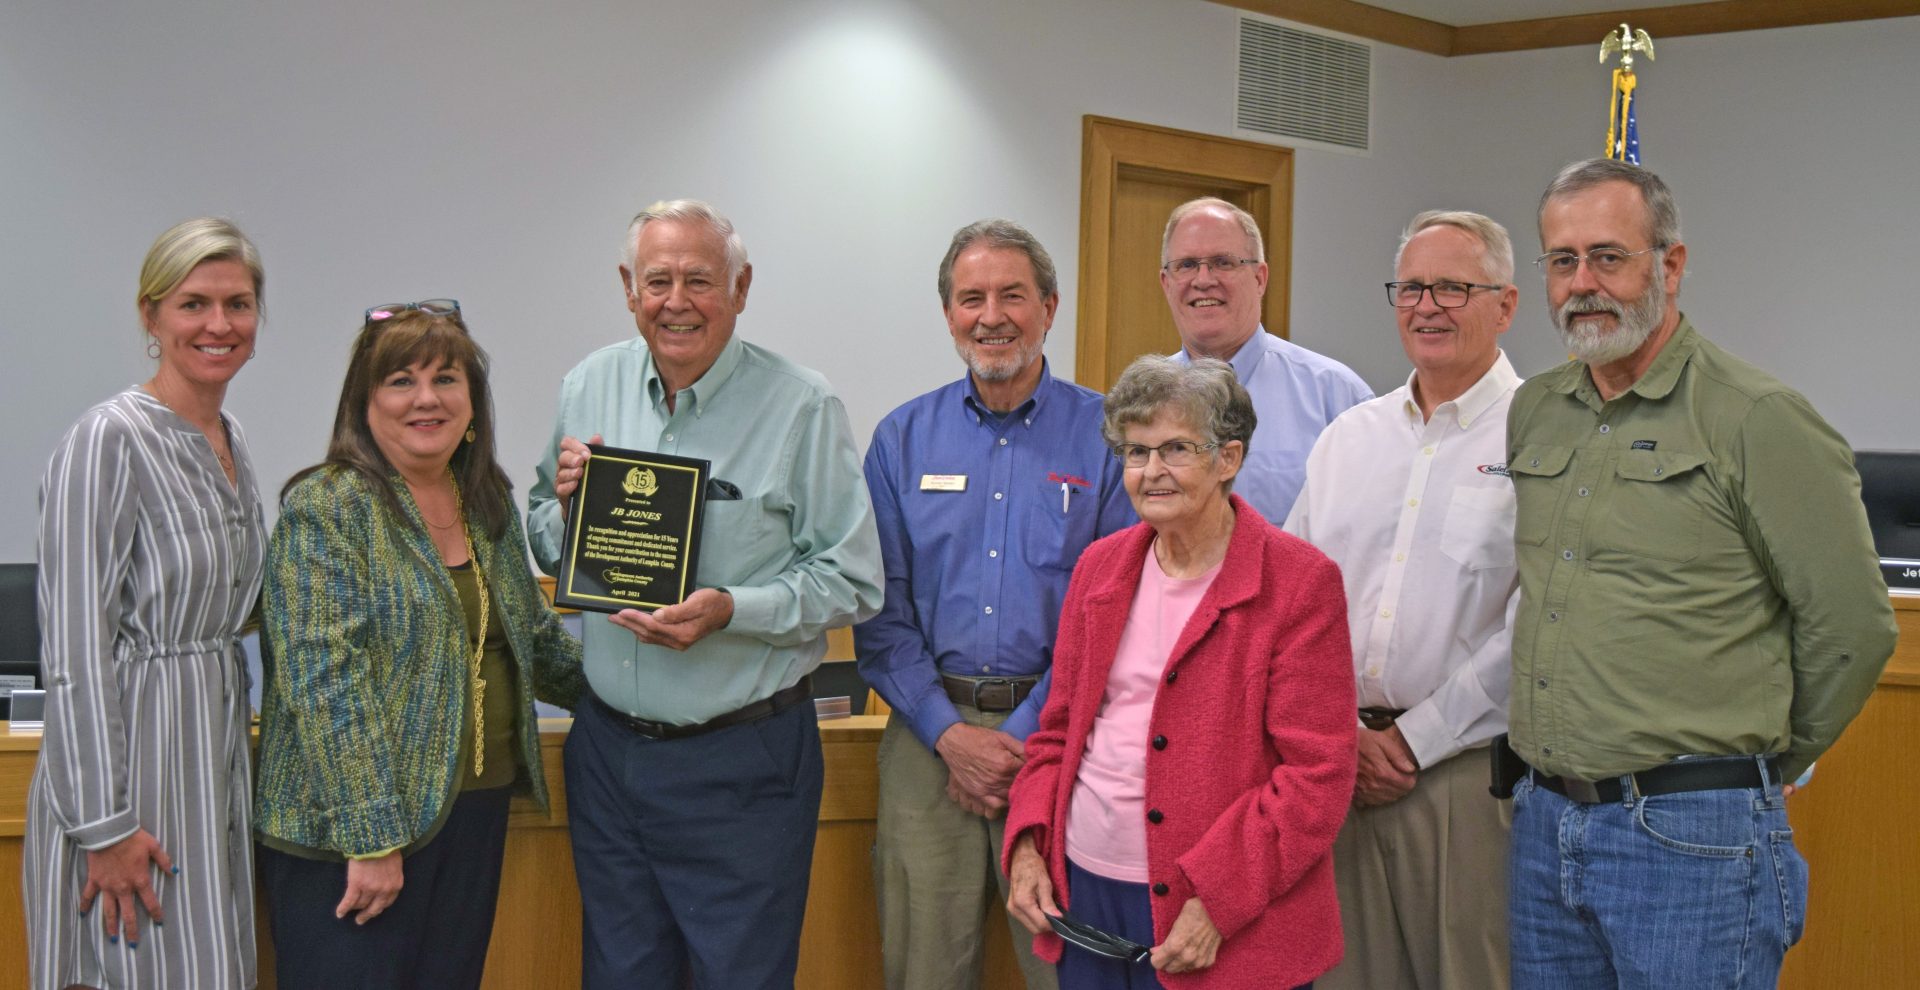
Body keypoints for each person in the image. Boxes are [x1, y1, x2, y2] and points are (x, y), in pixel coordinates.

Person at [1504, 158, 1898, 988]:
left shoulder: (1757, 418)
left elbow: (1855, 629)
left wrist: (1765, 769)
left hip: (1691, 840)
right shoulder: (1537, 407)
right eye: (1563, 260)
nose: (1583, 283)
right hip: (1545, 824)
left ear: (1670, 265)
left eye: (1609, 256)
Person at [529, 199, 884, 989]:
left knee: (739, 978)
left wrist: (732, 609)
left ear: (741, 287)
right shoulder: (589, 384)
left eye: (700, 279)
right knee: (620, 975)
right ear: (628, 287)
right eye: (658, 280)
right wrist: (565, 513)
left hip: (741, 762)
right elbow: (537, 529)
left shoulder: (802, 405)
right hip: (608, 755)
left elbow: (854, 578)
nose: (676, 301)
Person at [254, 299, 584, 989]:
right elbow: (324, 685)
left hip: (472, 814)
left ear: (473, 401)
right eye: (401, 380)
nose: (426, 398)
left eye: (446, 379)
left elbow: (535, 640)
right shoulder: (328, 508)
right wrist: (371, 837)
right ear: (363, 402)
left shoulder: (486, 503)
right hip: (355, 837)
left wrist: (648, 692)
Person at [1004, 355, 1356, 990]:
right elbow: (1057, 732)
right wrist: (1029, 843)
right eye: (1136, 452)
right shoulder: (1099, 568)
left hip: (1222, 905)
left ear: (1229, 458)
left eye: (1176, 449)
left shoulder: (1300, 582)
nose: (1151, 472)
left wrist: (1221, 899)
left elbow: (1317, 777)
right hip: (1086, 893)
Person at [856, 219, 1134, 990]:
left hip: (1060, 741)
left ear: (1049, 306)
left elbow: (1110, 614)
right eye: (970, 297)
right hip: (924, 739)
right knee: (922, 970)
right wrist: (950, 735)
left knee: (1065, 969)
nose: (991, 315)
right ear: (948, 314)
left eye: (1012, 294)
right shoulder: (902, 439)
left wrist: (1016, 738)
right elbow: (882, 612)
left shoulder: (1109, 436)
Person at [22, 218, 267, 990]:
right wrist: (105, 825)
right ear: (150, 315)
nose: (219, 325)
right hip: (133, 786)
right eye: (194, 303)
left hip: (214, 763)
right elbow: (73, 650)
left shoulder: (231, 440)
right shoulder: (108, 438)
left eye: (239, 303)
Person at [1286, 210, 1522, 990]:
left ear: (1506, 304)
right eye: (1412, 287)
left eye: (1454, 286)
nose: (1428, 306)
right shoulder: (1348, 439)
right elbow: (1293, 604)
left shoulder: (1541, 439)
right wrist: (1341, 734)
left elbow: (1538, 629)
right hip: (1340, 770)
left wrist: (1417, 739)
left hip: (1465, 779)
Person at [1159, 197, 1373, 520]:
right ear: (1166, 283)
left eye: (1223, 262)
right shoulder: (1145, 399)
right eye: (1187, 265)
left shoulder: (1336, 396)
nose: (1203, 280)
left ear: (1260, 278)